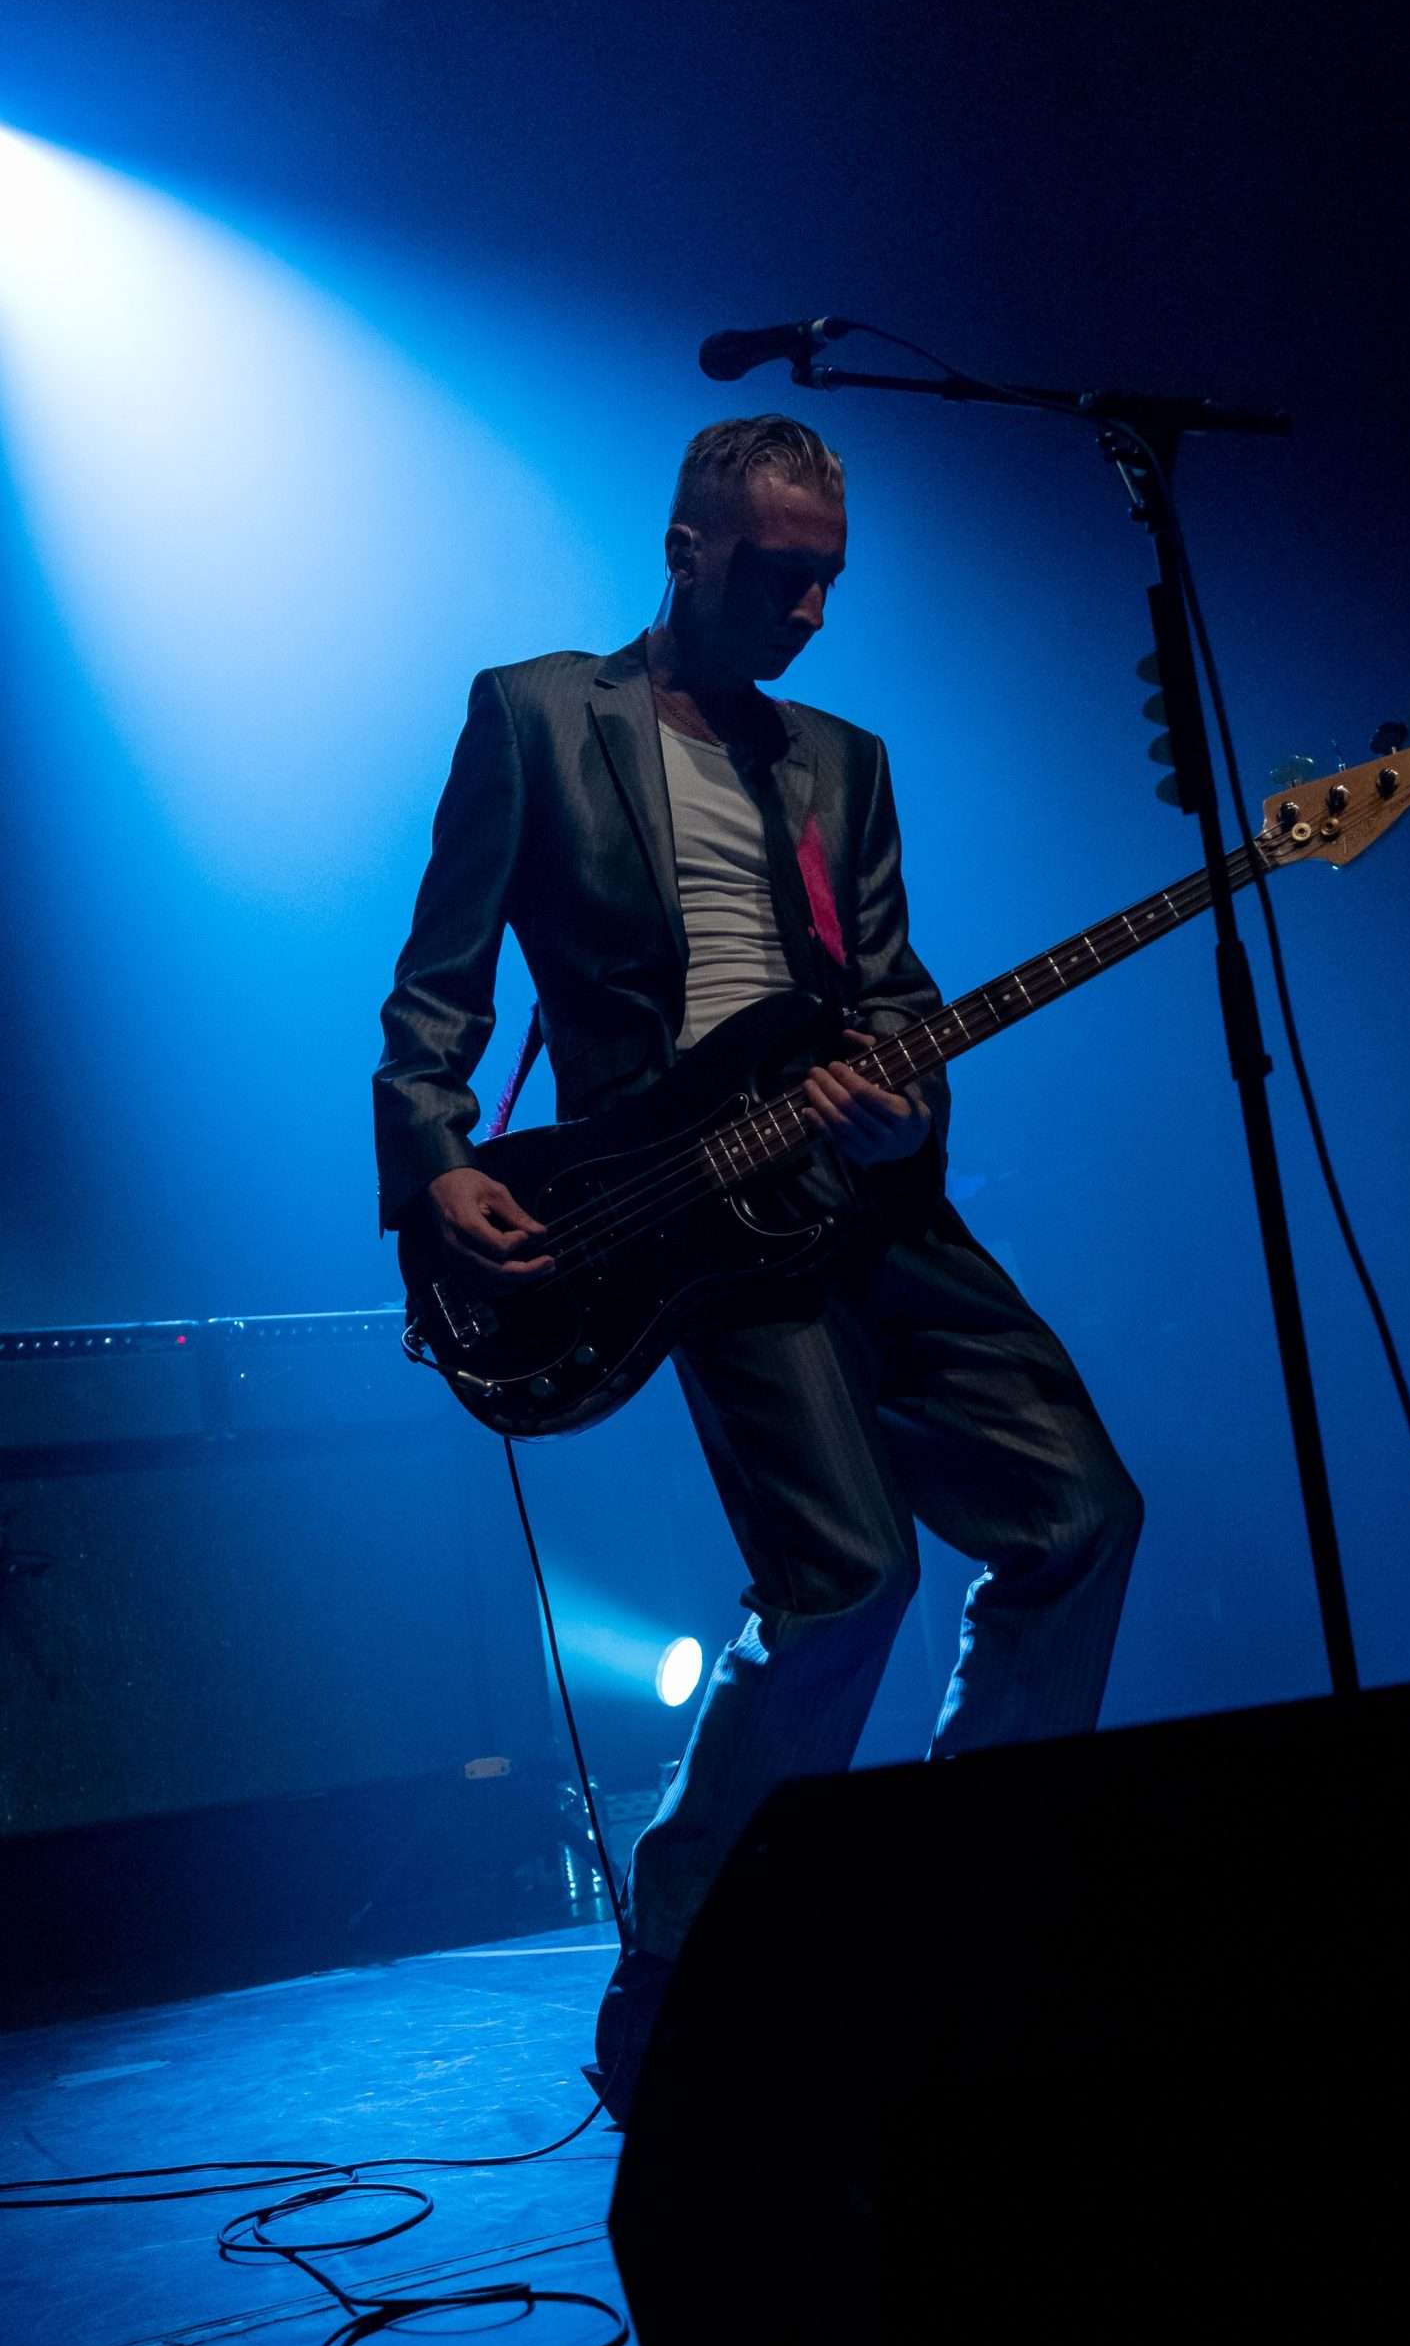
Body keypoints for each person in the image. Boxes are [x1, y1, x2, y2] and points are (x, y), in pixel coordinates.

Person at [375, 415, 1142, 2123]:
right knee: (849, 1580)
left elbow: (892, 997)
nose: (809, 612)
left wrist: (902, 1106)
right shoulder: (536, 715)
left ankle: (967, 1901)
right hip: (682, 1209)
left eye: (829, 582)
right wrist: (435, 1159)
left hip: (864, 1200)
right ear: (686, 551)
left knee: (1083, 1517)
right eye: (780, 576)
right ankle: (682, 1949)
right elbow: (439, 983)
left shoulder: (843, 764)